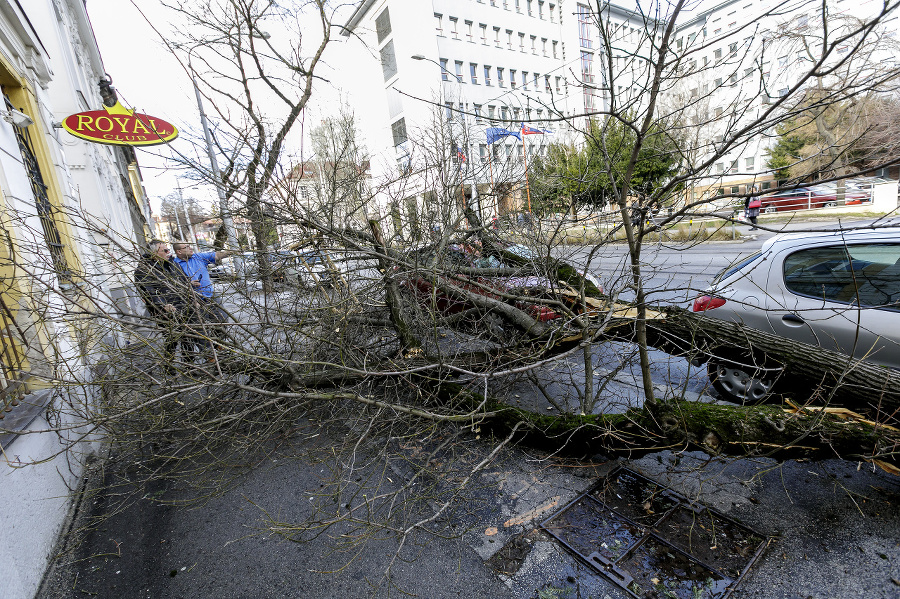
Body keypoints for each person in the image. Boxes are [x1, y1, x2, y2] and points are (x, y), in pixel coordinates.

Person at [134, 239, 205, 371]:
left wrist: (193, 297)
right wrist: (162, 305)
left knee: (188, 337)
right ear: (154, 253)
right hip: (164, 311)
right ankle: (169, 365)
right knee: (172, 338)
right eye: (165, 250)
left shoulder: (173, 265)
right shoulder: (143, 270)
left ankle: (189, 366)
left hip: (184, 305)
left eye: (168, 250)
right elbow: (147, 291)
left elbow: (183, 283)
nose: (168, 252)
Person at [171, 241, 234, 325]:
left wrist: (233, 252)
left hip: (211, 296)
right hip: (194, 301)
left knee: (223, 320)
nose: (191, 248)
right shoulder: (174, 265)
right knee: (204, 325)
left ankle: (220, 337)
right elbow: (175, 284)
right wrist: (188, 283)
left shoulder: (198, 257)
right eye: (187, 247)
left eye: (190, 246)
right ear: (179, 251)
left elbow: (217, 255)